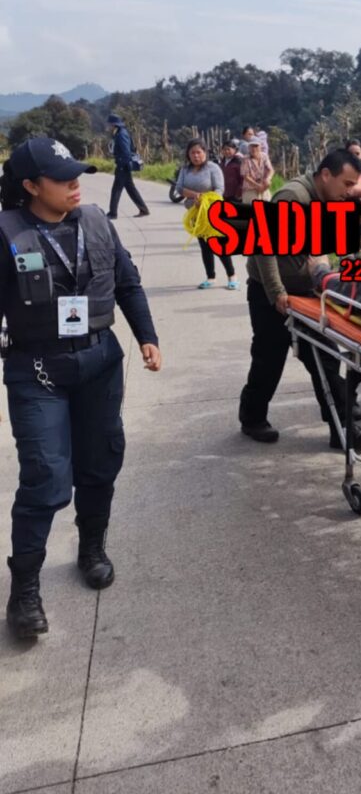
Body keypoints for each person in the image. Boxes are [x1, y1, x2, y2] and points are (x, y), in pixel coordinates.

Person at [0, 137, 162, 640]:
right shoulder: (6, 233)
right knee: (46, 475)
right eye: (61, 177)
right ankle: (24, 589)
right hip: (36, 369)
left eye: (77, 173)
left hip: (98, 361)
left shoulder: (95, 221)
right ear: (30, 186)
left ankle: (92, 546)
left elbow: (128, 284)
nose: (75, 183)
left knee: (100, 461)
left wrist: (147, 337)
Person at [237, 149, 361, 448]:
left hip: (308, 291)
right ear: (326, 175)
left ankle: (342, 429)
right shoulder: (292, 197)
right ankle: (252, 417)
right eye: (347, 184)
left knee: (325, 356)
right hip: (270, 291)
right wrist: (276, 292)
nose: (350, 191)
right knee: (268, 358)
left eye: (354, 185)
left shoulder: (333, 202)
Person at [175, 139, 239, 291]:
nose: (196, 156)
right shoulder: (185, 170)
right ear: (188, 155)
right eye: (192, 153)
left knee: (218, 244)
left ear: (205, 153)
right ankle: (210, 277)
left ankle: (232, 276)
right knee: (204, 246)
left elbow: (219, 189)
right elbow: (179, 188)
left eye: (199, 152)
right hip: (195, 214)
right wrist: (194, 195)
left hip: (213, 212)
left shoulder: (213, 168)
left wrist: (204, 199)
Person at [106, 114, 149, 220]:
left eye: (109, 124)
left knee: (116, 190)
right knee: (131, 189)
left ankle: (113, 213)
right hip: (123, 165)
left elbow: (126, 152)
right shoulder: (119, 133)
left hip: (123, 166)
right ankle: (144, 209)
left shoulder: (121, 134)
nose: (108, 126)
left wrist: (122, 165)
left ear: (114, 124)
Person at [240, 139, 274, 204]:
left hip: (264, 188)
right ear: (249, 148)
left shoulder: (264, 156)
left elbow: (270, 170)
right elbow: (246, 176)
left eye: (256, 146)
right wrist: (257, 186)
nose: (254, 149)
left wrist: (268, 178)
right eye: (252, 146)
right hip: (250, 189)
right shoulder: (245, 159)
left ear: (260, 147)